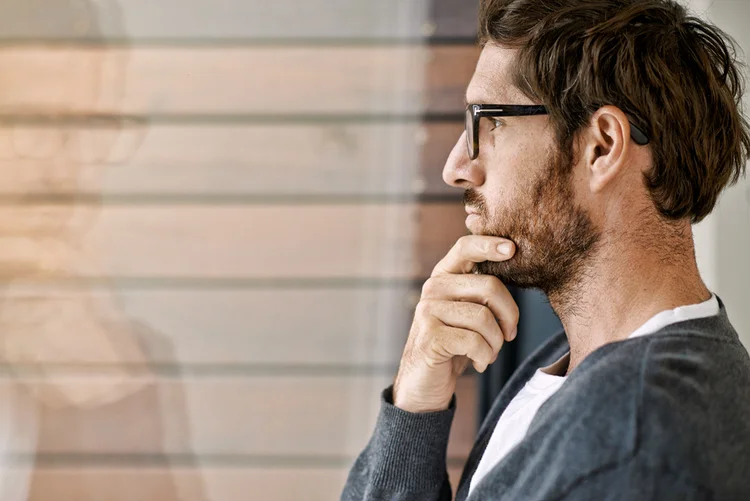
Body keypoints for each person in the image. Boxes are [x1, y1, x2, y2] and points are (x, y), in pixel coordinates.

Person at [341, 0, 750, 500]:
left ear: (601, 146)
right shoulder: (574, 366)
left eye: (489, 121)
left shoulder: (632, 438)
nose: (455, 167)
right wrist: (416, 403)